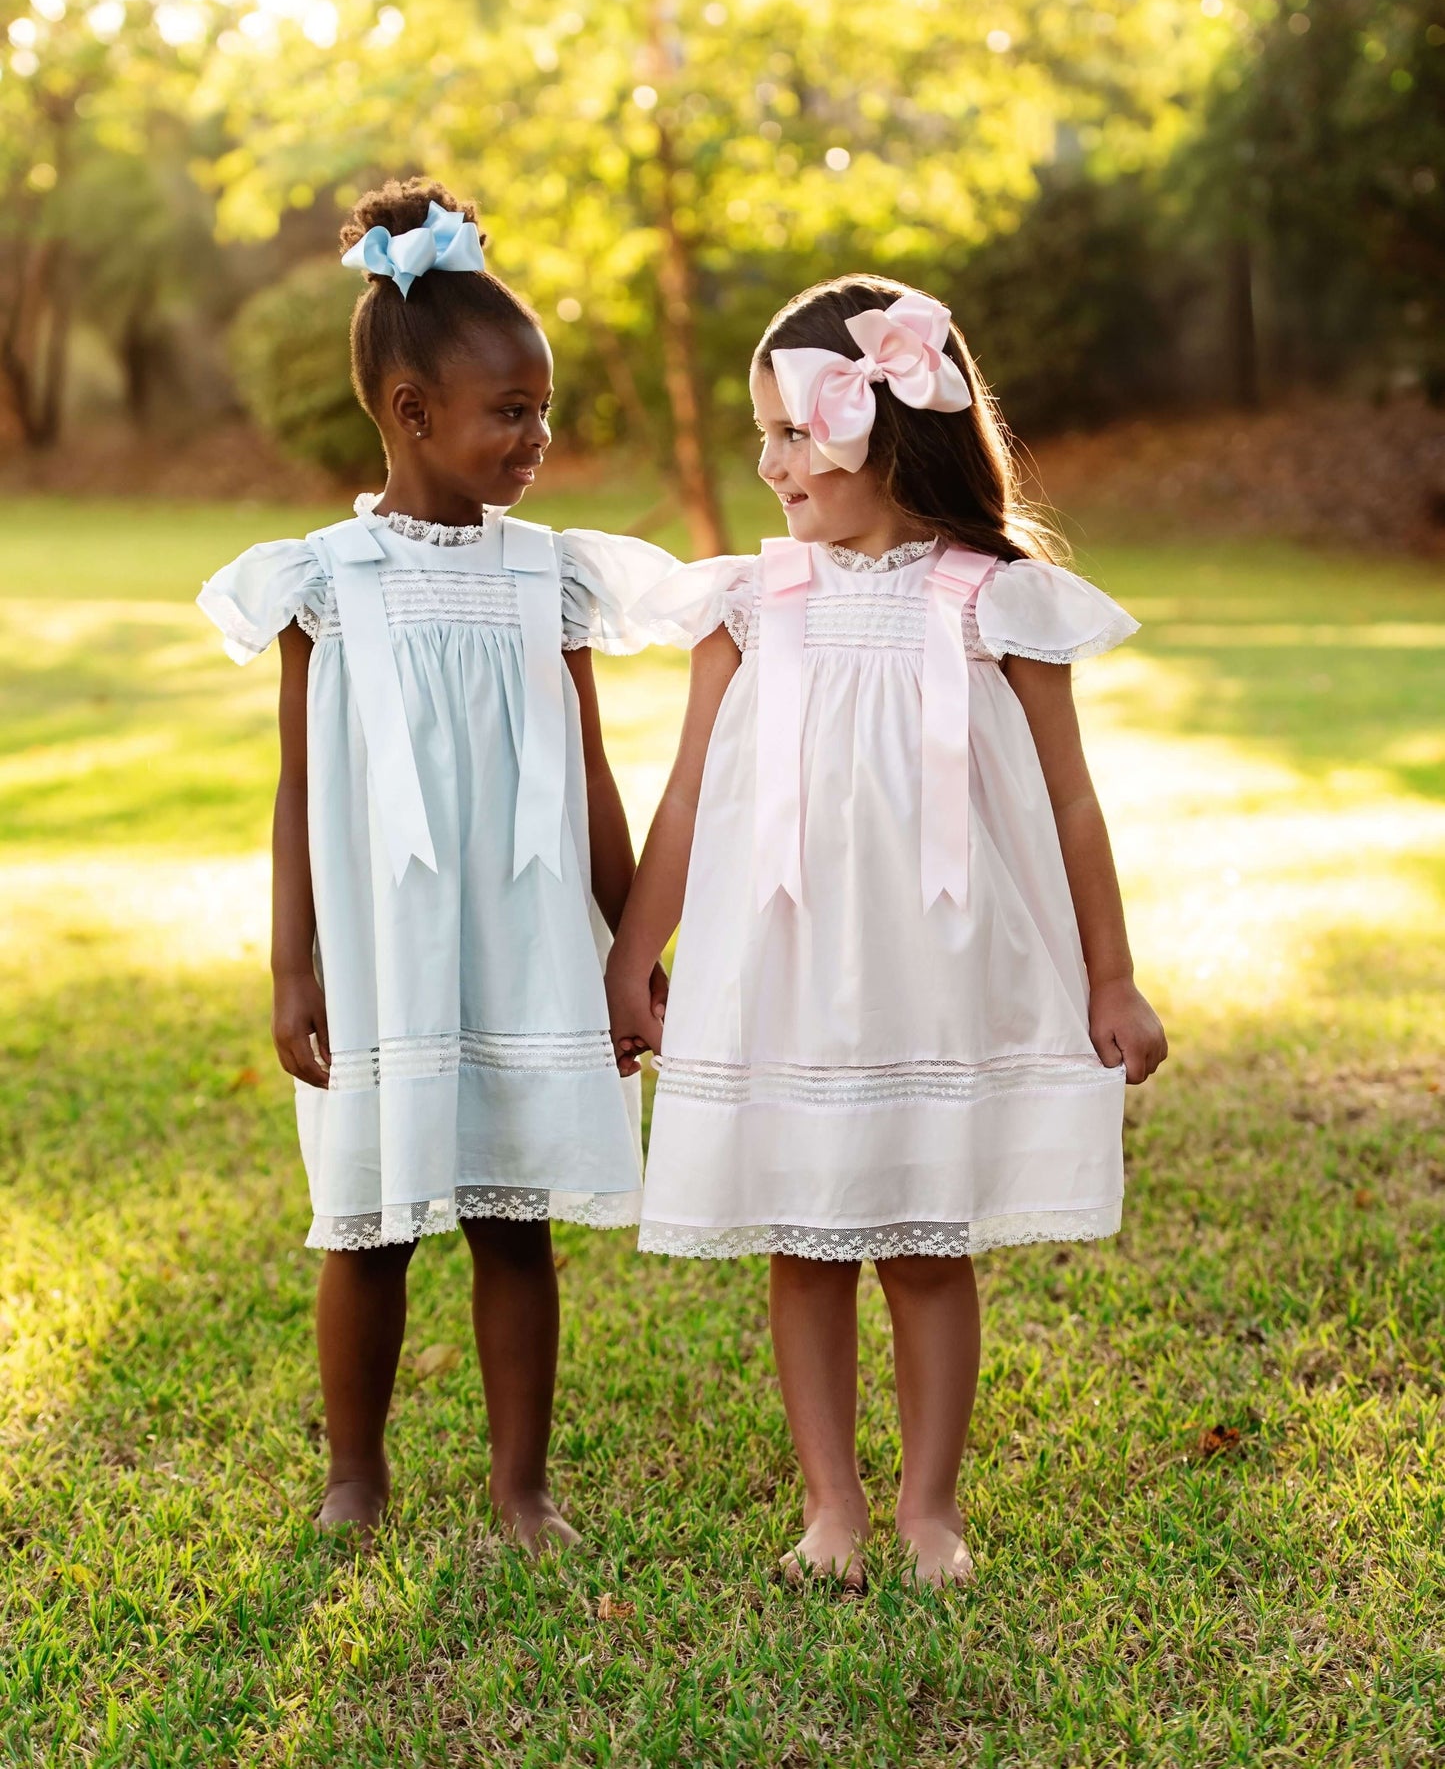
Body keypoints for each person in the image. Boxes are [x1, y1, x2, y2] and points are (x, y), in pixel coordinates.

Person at [605, 276, 1167, 1589]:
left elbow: (1071, 802)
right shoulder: (747, 604)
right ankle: (831, 1505)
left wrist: (1112, 975)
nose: (769, 461)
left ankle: (927, 1505)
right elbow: (688, 793)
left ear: (886, 430)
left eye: (793, 432)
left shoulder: (996, 601)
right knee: (803, 1240)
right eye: (764, 434)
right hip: (787, 968)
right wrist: (637, 945)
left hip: (934, 972)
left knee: (923, 1237)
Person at [197, 178, 670, 1549]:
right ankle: (358, 1471)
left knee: (513, 1216)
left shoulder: (549, 579)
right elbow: (302, 790)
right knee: (369, 1220)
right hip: (383, 944)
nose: (537, 435)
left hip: (523, 936)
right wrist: (293, 966)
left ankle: (521, 1485)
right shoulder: (324, 582)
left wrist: (630, 948)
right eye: (509, 410)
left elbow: (588, 772)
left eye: (543, 407)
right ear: (410, 414)